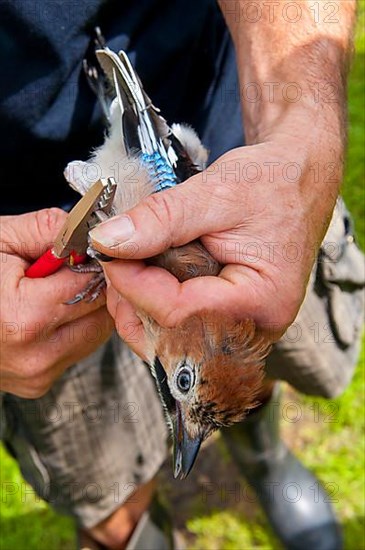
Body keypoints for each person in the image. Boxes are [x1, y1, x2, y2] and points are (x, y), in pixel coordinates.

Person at [1, 1, 363, 549]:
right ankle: (132, 533)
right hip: (21, 219)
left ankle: (262, 456)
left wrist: (303, 139)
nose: (186, 419)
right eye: (185, 384)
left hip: (239, 166)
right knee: (101, 468)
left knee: (258, 345)